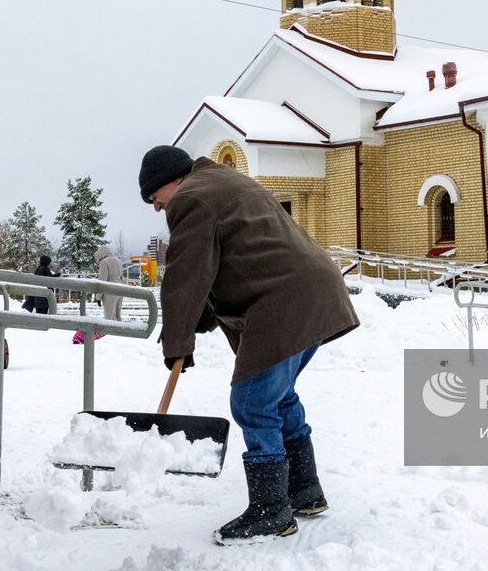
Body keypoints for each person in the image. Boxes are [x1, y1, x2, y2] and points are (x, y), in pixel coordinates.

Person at [138, 144, 359, 544]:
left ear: (171, 180)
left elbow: (186, 276)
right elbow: (224, 261)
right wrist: (194, 326)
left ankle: (271, 510)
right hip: (314, 292)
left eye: (155, 198)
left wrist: (177, 341)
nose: (157, 208)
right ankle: (304, 491)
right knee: (278, 397)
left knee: (252, 400)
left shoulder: (190, 199)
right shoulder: (222, 182)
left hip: (284, 301)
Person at [94, 243, 124, 321]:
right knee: (118, 316)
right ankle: (119, 332)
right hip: (120, 288)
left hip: (110, 290)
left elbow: (102, 281)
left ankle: (110, 333)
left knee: (109, 317)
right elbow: (122, 278)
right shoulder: (118, 261)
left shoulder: (104, 262)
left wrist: (98, 297)